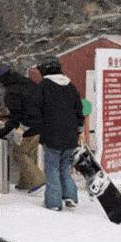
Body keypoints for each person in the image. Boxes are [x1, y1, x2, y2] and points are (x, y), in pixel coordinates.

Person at [0, 63, 45, 192]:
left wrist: (3, 131)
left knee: (19, 154)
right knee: (28, 153)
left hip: (27, 126)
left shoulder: (12, 91)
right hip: (40, 124)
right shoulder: (28, 82)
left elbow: (16, 116)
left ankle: (38, 180)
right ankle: (25, 183)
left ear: (2, 79)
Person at [36, 56, 82, 211]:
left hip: (51, 135)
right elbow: (79, 109)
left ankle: (54, 202)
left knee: (52, 169)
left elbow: (37, 110)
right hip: (70, 136)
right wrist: (79, 128)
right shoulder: (70, 86)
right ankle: (70, 196)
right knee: (64, 167)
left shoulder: (44, 86)